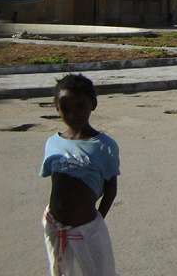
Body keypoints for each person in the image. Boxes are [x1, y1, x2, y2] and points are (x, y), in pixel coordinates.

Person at [42, 74, 120, 276]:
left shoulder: (104, 146)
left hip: (87, 229)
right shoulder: (52, 143)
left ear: (92, 104)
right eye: (65, 108)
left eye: (80, 106)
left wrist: (94, 223)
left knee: (96, 270)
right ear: (56, 108)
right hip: (55, 225)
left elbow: (110, 190)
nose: (73, 114)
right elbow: (57, 185)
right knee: (62, 270)